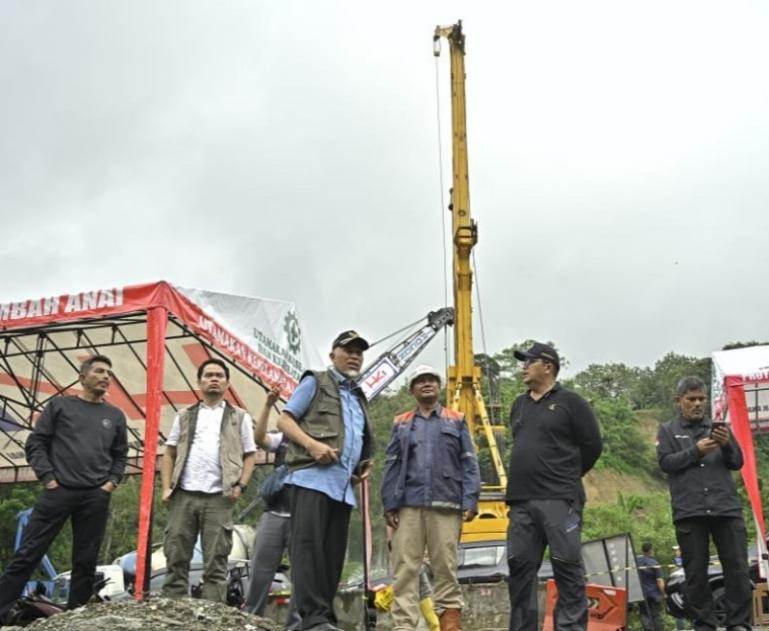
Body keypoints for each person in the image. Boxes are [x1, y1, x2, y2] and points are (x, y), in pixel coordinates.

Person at [0, 355, 128, 619]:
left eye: (109, 373)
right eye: (100, 371)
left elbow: (120, 455)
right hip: (59, 491)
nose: (106, 377)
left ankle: (76, 616)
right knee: (28, 553)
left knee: (86, 559)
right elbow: (36, 444)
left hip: (95, 495)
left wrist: (110, 484)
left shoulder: (114, 416)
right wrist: (49, 479)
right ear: (82, 378)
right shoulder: (60, 406)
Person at [277, 330, 375, 631]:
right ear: (333, 354)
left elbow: (355, 437)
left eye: (359, 351)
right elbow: (284, 420)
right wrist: (312, 445)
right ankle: (313, 618)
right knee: (307, 550)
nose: (354, 355)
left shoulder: (359, 397)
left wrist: (360, 466)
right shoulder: (316, 381)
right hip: (310, 478)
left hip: (343, 488)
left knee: (332, 557)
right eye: (348, 350)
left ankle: (324, 618)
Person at [505, 342, 603, 631]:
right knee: (520, 568)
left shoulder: (572, 402)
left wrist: (566, 475)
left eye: (529, 361)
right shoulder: (519, 405)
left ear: (548, 366)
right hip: (522, 502)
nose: (523, 367)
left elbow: (592, 446)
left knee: (566, 567)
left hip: (560, 500)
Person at [381, 364, 481, 631]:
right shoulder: (400, 423)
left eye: (432, 380)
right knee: (405, 569)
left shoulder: (456, 420)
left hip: (446, 503)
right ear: (413, 389)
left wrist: (470, 499)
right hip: (408, 506)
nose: (427, 384)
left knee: (445, 567)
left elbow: (469, 462)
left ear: (439, 387)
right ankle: (404, 626)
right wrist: (389, 503)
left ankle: (450, 623)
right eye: (421, 381)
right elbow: (391, 463)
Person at [657, 376, 752, 631]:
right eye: (691, 399)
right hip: (690, 510)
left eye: (701, 399)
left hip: (726, 507)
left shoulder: (719, 428)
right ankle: (704, 624)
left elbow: (737, 462)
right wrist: (696, 451)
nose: (697, 404)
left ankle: (739, 623)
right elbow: (666, 463)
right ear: (679, 401)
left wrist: (727, 443)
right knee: (696, 573)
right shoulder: (667, 430)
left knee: (738, 569)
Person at [161, 358, 257, 602]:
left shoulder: (239, 416)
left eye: (219, 375)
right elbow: (169, 452)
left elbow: (250, 454)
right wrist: (166, 488)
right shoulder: (184, 415)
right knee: (176, 554)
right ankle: (174, 609)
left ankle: (211, 614)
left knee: (216, 561)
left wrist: (241, 486)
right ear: (199, 382)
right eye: (208, 375)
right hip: (183, 494)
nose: (214, 379)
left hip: (219, 497)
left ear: (226, 383)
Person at [243, 385, 300, 629]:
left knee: (302, 577)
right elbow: (260, 439)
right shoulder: (284, 438)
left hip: (303, 517)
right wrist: (267, 405)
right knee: (260, 572)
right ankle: (251, 620)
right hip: (274, 513)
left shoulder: (321, 439)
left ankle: (296, 625)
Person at [636, 542, 665, 631]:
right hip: (654, 594)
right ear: (652, 550)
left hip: (641, 594)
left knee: (644, 615)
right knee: (656, 615)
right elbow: (659, 580)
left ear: (642, 550)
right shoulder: (654, 562)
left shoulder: (637, 561)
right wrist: (664, 593)